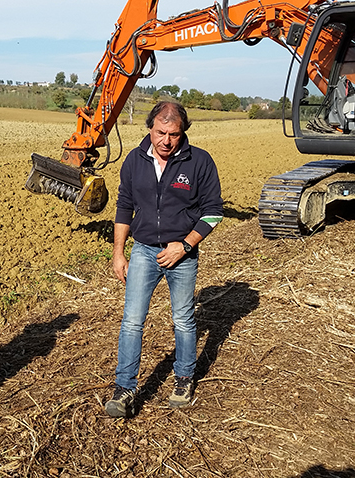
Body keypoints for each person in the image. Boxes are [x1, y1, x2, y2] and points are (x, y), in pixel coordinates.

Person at [106, 101, 223, 418]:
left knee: (183, 319)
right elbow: (123, 207)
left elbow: (213, 213)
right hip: (143, 250)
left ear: (182, 132)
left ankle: (184, 378)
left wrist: (184, 246)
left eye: (174, 134)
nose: (166, 141)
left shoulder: (199, 162)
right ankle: (124, 389)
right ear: (150, 128)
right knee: (132, 321)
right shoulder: (134, 160)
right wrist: (119, 253)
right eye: (161, 132)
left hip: (181, 255)